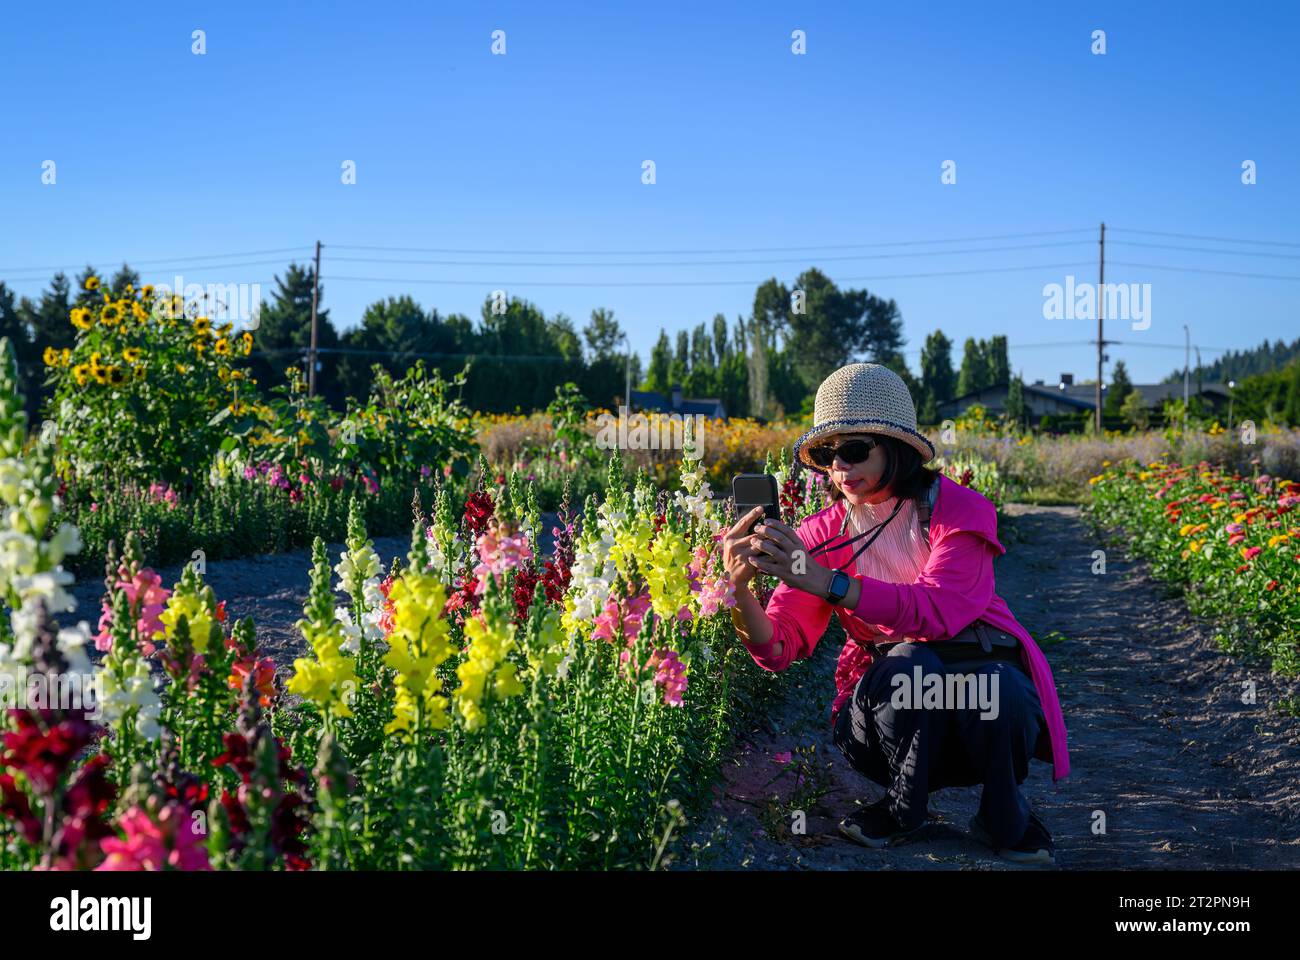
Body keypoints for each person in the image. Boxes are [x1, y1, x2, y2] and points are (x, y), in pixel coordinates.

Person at [722, 362, 1069, 864]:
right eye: (827, 453)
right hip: (888, 720)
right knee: (910, 663)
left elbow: (937, 609)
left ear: (897, 448)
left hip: (980, 710)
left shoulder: (958, 510)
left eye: (856, 449)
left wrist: (827, 581)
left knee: (999, 684)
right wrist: (739, 591)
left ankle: (1003, 808)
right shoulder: (823, 534)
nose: (839, 467)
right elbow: (779, 647)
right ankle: (905, 808)